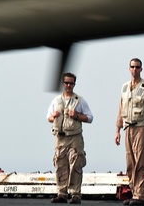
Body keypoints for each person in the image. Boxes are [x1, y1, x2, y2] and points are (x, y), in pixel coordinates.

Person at [115, 58, 144, 206]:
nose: (135, 70)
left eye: (137, 67)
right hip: (128, 126)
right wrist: (117, 130)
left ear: (141, 69)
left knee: (141, 161)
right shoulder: (124, 87)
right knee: (130, 162)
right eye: (132, 67)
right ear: (129, 69)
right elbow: (121, 109)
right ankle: (135, 192)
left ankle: (140, 196)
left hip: (142, 126)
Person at [47, 72, 93, 204]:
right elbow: (48, 117)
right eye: (66, 83)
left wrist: (77, 115)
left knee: (75, 164)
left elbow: (90, 118)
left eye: (71, 83)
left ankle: (75, 194)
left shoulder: (79, 101)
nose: (69, 85)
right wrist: (53, 116)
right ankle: (61, 193)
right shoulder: (56, 101)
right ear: (63, 84)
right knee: (60, 164)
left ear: (74, 84)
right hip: (60, 137)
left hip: (74, 137)